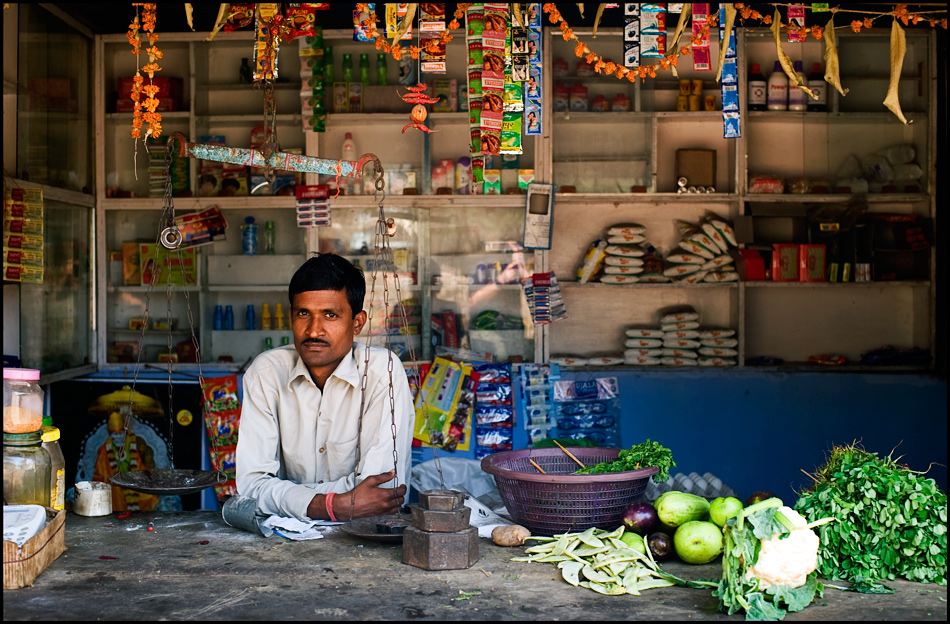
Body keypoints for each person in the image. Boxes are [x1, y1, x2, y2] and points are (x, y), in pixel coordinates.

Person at [235, 253, 414, 523]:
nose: (314, 330)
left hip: (368, 534)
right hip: (285, 540)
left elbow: (381, 494)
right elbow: (250, 488)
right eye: (303, 313)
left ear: (357, 323)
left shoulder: (381, 372)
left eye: (330, 315)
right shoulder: (267, 373)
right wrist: (334, 505)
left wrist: (289, 498)